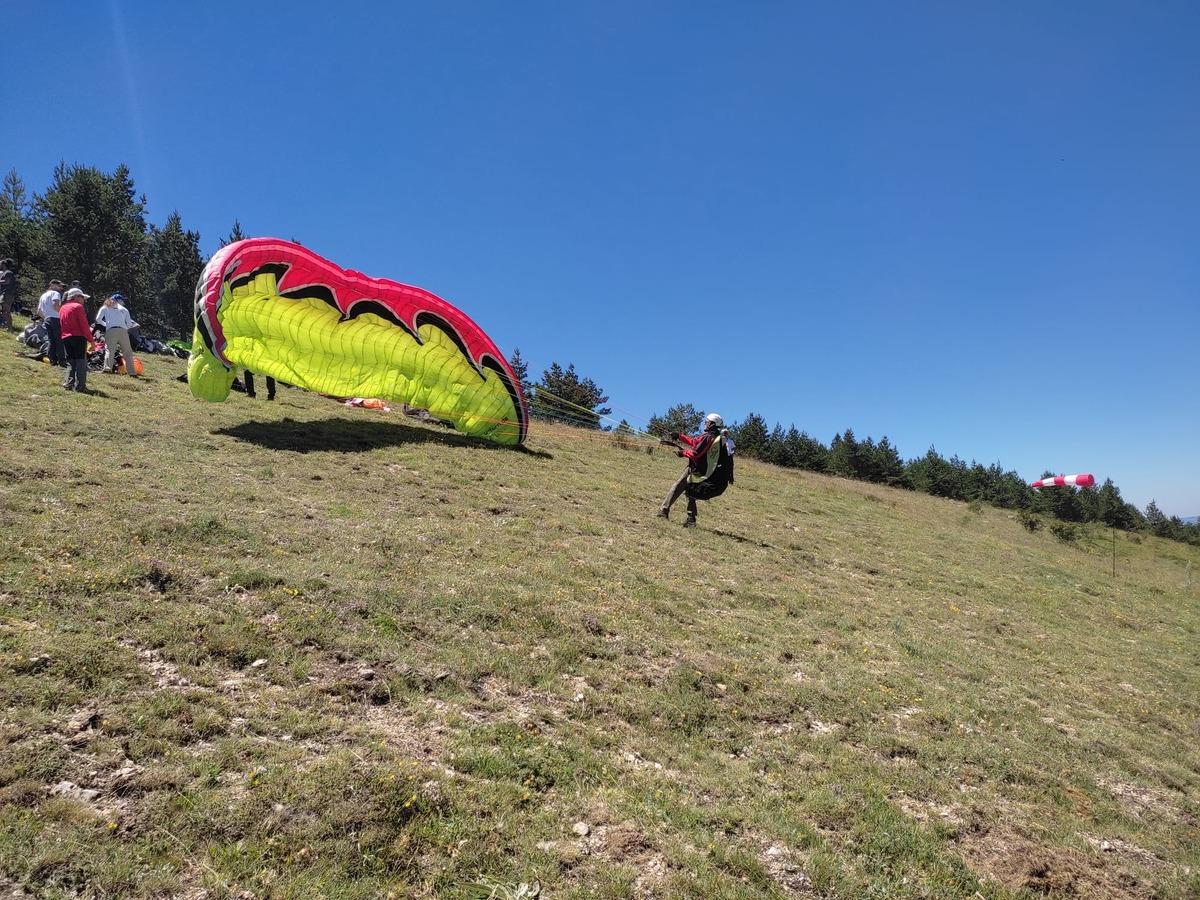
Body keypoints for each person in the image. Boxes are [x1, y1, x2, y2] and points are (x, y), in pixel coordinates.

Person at [658, 412, 734, 527]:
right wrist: (679, 436)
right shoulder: (711, 436)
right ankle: (690, 519)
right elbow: (695, 442)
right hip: (700, 468)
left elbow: (696, 453)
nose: (705, 424)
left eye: (707, 422)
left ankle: (664, 511)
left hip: (698, 469)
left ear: (712, 424)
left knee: (679, 487)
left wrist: (682, 453)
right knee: (690, 490)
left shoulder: (710, 437)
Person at [58, 287, 93, 392]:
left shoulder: (63, 308)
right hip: (78, 337)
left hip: (66, 337)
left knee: (71, 361)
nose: (84, 300)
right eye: (82, 297)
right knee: (81, 362)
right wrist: (91, 340)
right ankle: (80, 386)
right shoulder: (78, 307)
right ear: (76, 297)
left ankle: (68, 383)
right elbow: (84, 325)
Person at [95, 293, 138, 377]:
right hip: (123, 331)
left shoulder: (105, 307)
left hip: (111, 330)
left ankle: (107, 369)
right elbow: (129, 324)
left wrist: (106, 325)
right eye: (122, 300)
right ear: (118, 300)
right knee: (127, 352)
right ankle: (132, 372)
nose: (123, 302)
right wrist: (124, 328)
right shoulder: (124, 309)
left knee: (110, 350)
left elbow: (98, 319)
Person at [37, 279, 66, 365]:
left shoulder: (43, 295)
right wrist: (63, 314)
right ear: (52, 285)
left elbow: (38, 311)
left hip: (47, 319)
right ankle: (62, 361)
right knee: (59, 340)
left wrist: (45, 317)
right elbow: (55, 305)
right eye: (59, 285)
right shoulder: (55, 293)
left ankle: (52, 359)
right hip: (56, 318)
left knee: (51, 340)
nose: (61, 288)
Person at [0, 259, 16, 331]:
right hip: (5, 294)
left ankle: (10, 328)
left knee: (6, 311)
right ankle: (6, 326)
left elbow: (7, 282)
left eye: (0, 263)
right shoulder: (5, 273)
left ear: (3, 264)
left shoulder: (8, 272)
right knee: (4, 311)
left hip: (7, 294)